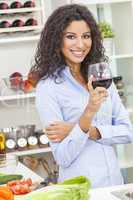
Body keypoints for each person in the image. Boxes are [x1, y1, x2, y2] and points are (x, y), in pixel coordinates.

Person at [30, 4, 133, 188]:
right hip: (82, 192)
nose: (81, 44)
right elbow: (62, 157)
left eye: (86, 36)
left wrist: (78, 129)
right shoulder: (48, 88)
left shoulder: (101, 77)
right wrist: (88, 113)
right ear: (56, 40)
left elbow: (127, 132)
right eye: (71, 37)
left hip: (115, 186)